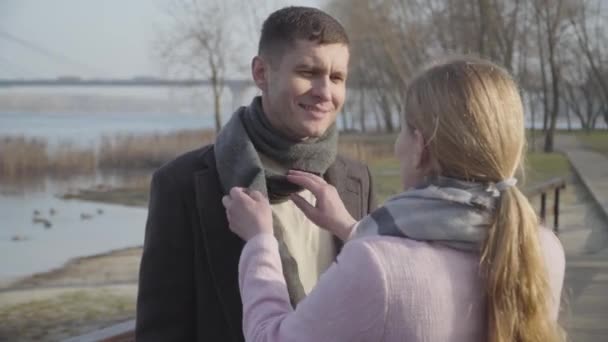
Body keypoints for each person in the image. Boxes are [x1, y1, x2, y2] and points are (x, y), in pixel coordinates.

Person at [223, 57, 566, 341]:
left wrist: (260, 242)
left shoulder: (376, 268)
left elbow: (271, 337)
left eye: (403, 130)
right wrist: (348, 227)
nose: (396, 146)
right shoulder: (542, 248)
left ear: (420, 148)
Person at [135, 6, 376, 341]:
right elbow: (162, 330)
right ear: (261, 73)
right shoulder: (181, 185)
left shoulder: (357, 178)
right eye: (308, 72)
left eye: (337, 78)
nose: (325, 92)